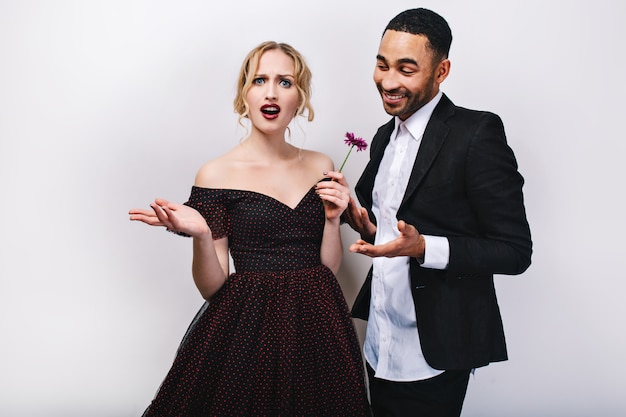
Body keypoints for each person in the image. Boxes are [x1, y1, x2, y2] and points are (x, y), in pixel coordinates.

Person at [129, 41, 371, 416]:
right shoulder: (216, 174)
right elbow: (214, 287)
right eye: (260, 80)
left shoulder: (323, 164)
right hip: (249, 330)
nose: (271, 91)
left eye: (285, 82)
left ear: (300, 99)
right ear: (245, 94)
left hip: (317, 326)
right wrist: (201, 235)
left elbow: (328, 269)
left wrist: (333, 219)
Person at [342, 8, 533, 417]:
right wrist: (360, 218)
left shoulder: (477, 134)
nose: (388, 81)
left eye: (406, 69)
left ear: (441, 70)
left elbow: (515, 251)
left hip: (434, 353)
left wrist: (425, 247)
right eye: (382, 64)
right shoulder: (382, 137)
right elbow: (386, 226)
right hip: (378, 342)